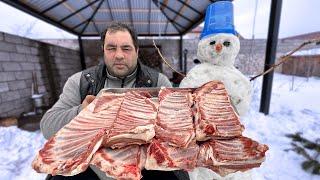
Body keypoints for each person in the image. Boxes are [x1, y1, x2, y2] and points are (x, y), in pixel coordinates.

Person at [40, 22, 189, 180]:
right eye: (111, 48)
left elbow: (178, 130)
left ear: (137, 51)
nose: (119, 55)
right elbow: (47, 127)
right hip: (92, 168)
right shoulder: (81, 82)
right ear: (103, 51)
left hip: (143, 168)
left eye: (126, 48)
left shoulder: (158, 82)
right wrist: (82, 112)